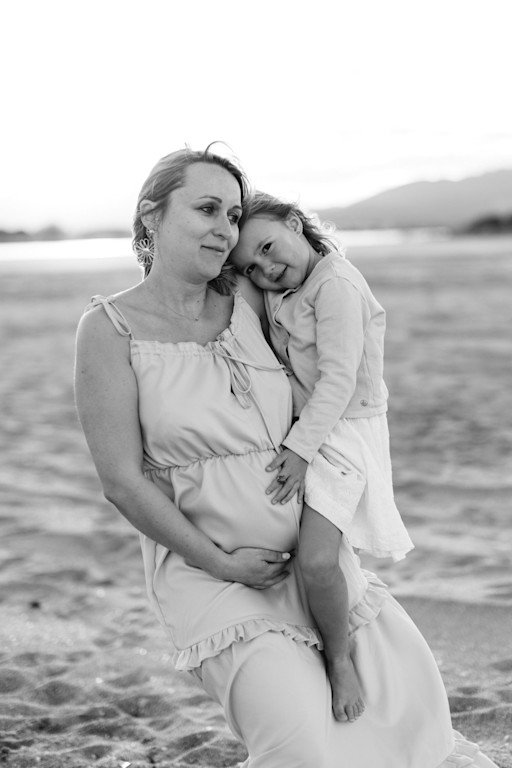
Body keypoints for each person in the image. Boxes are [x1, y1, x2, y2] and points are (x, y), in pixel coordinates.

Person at [74, 146, 498, 768]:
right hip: (212, 576)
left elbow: (331, 289)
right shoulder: (108, 329)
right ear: (151, 216)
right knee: (298, 740)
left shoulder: (253, 294)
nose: (226, 228)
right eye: (207, 209)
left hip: (315, 562)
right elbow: (122, 482)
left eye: (234, 214)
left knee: (410, 716)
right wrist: (224, 564)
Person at [228, 192, 414, 723]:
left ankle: (340, 660)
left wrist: (299, 450)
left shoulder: (334, 284)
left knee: (314, 560)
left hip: (342, 432)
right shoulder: (284, 285)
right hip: (312, 426)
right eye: (252, 267)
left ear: (295, 222)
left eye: (268, 246)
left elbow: (337, 381)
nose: (266, 267)